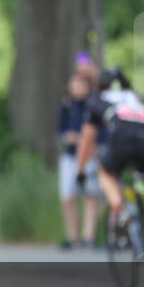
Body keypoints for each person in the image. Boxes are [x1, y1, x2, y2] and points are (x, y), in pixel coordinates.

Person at [76, 68, 144, 249]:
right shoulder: (135, 96)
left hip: (121, 138)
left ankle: (119, 207)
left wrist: (79, 170)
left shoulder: (97, 98)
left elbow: (87, 139)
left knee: (105, 172)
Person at [57, 73, 99, 249]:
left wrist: (84, 139)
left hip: (89, 155)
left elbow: (98, 133)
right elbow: (60, 131)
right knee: (68, 196)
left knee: (90, 195)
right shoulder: (67, 105)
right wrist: (70, 138)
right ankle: (72, 236)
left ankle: (88, 237)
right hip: (70, 156)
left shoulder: (93, 105)